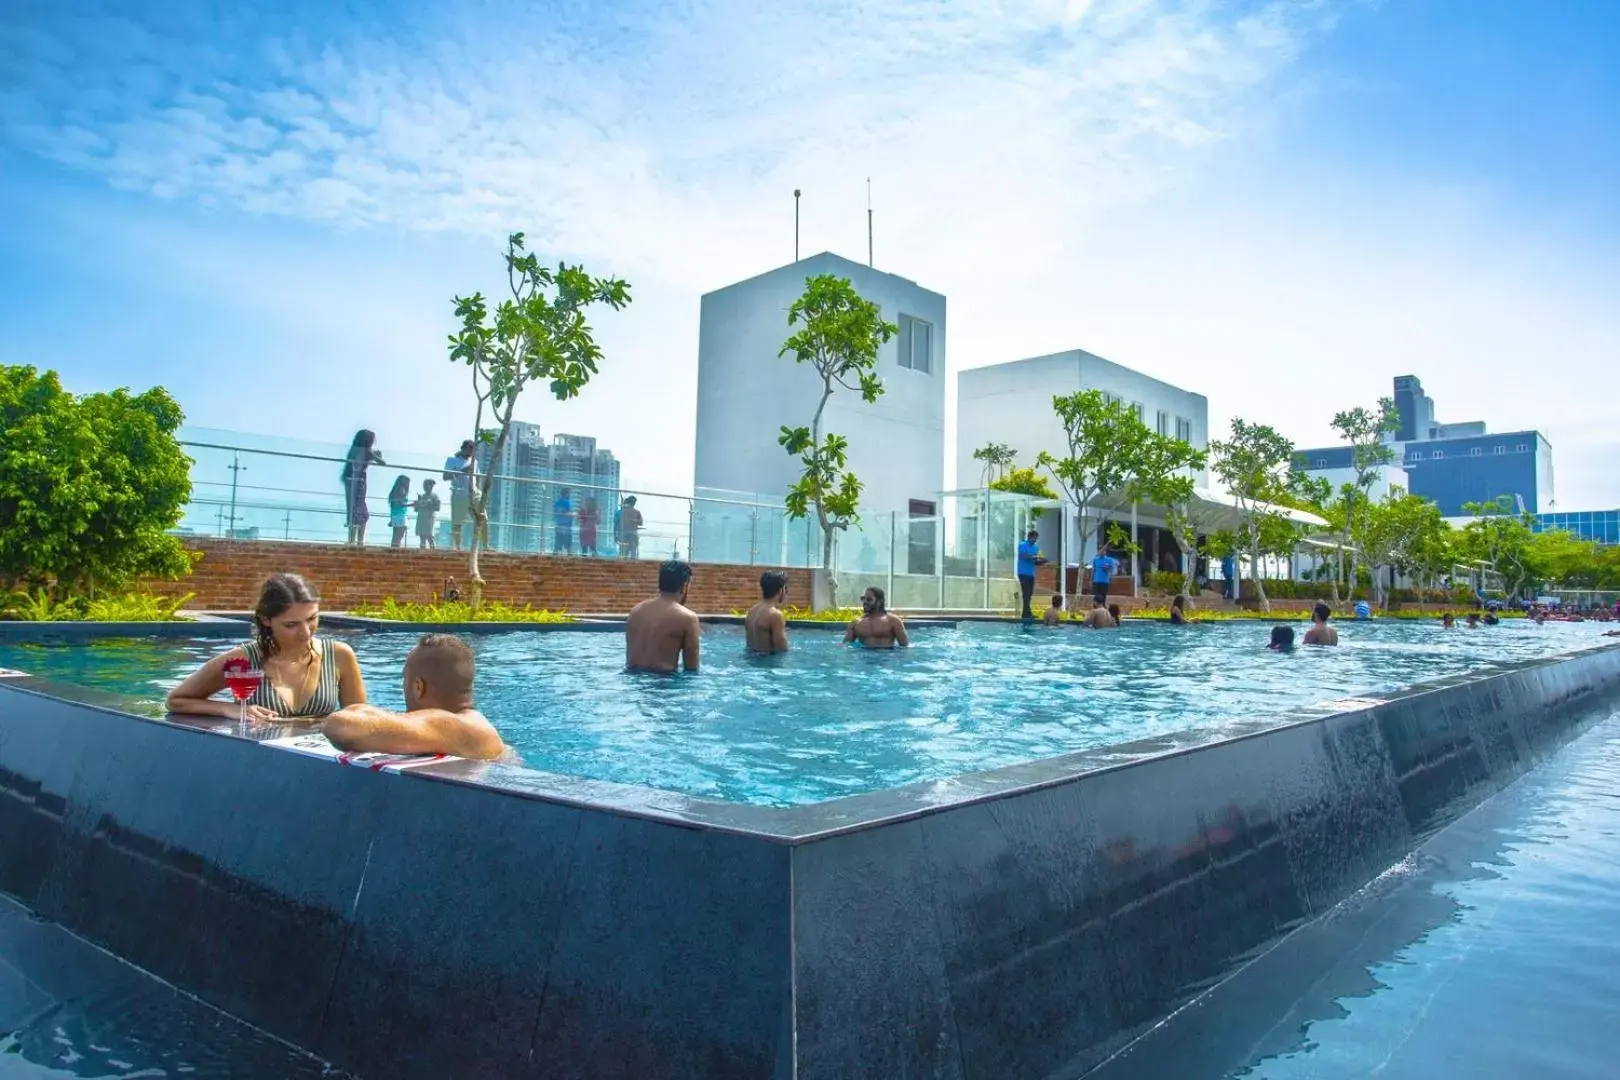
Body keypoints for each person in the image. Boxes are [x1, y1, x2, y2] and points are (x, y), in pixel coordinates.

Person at [167, 573, 366, 722]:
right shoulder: (242, 661)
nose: (305, 632)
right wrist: (229, 709)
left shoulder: (339, 655)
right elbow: (176, 701)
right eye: (291, 625)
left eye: (312, 618)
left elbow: (360, 717)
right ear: (266, 619)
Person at [323, 634, 505, 760]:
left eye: (404, 679)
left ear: (418, 687)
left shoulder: (450, 725)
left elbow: (342, 725)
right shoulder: (475, 725)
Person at [626, 560, 701, 673]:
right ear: (685, 586)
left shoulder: (636, 611)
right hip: (664, 682)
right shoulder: (688, 618)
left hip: (632, 678)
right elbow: (691, 669)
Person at [340, 430, 385, 546]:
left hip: (350, 481)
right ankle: (359, 541)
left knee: (353, 508)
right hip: (359, 481)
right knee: (361, 512)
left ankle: (351, 539)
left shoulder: (353, 450)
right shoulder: (367, 452)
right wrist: (378, 455)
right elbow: (382, 462)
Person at [845, 586, 909, 648]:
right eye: (863, 598)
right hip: (864, 657)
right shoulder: (855, 623)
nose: (865, 602)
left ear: (880, 601)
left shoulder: (893, 621)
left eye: (869, 599)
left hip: (886, 656)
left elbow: (905, 648)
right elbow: (846, 646)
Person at [443, 440, 477, 552]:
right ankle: (457, 547)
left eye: (473, 448)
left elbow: (477, 477)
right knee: (457, 523)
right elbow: (446, 476)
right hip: (459, 494)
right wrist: (462, 471)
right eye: (469, 447)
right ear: (463, 448)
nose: (471, 450)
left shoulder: (475, 462)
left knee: (481, 520)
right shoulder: (452, 460)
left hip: (473, 495)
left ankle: (482, 546)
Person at [745, 571, 790, 654]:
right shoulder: (775, 615)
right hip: (767, 664)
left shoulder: (751, 611)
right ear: (781, 590)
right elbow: (782, 649)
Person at [1016, 529, 1046, 620]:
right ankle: (1026, 614)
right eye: (1034, 538)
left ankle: (1026, 613)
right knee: (1026, 593)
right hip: (1023, 572)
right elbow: (1023, 556)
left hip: (1031, 573)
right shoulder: (1022, 545)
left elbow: (1036, 561)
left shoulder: (1036, 548)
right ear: (1029, 537)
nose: (1035, 541)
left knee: (1029, 594)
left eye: (1036, 539)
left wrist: (1041, 561)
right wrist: (1033, 557)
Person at [413, 479, 441, 549]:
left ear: (431, 486)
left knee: (429, 536)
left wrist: (428, 505)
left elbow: (438, 508)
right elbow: (416, 509)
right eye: (424, 485)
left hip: (429, 518)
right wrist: (418, 502)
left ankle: (433, 553)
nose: (425, 487)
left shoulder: (435, 496)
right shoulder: (422, 496)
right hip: (421, 518)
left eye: (426, 485)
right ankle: (422, 552)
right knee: (422, 537)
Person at [387, 474, 411, 549]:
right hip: (401, 516)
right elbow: (401, 504)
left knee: (395, 537)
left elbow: (395, 505)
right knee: (399, 538)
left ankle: (392, 554)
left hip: (395, 516)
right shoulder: (402, 490)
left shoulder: (395, 491)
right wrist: (413, 504)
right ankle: (395, 554)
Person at [553, 486, 574, 554]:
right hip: (566, 527)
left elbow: (556, 514)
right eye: (570, 493)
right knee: (568, 546)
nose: (570, 495)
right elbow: (566, 513)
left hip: (558, 525)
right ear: (567, 493)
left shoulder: (557, 502)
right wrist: (573, 514)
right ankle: (571, 562)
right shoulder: (567, 502)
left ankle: (553, 560)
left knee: (557, 545)